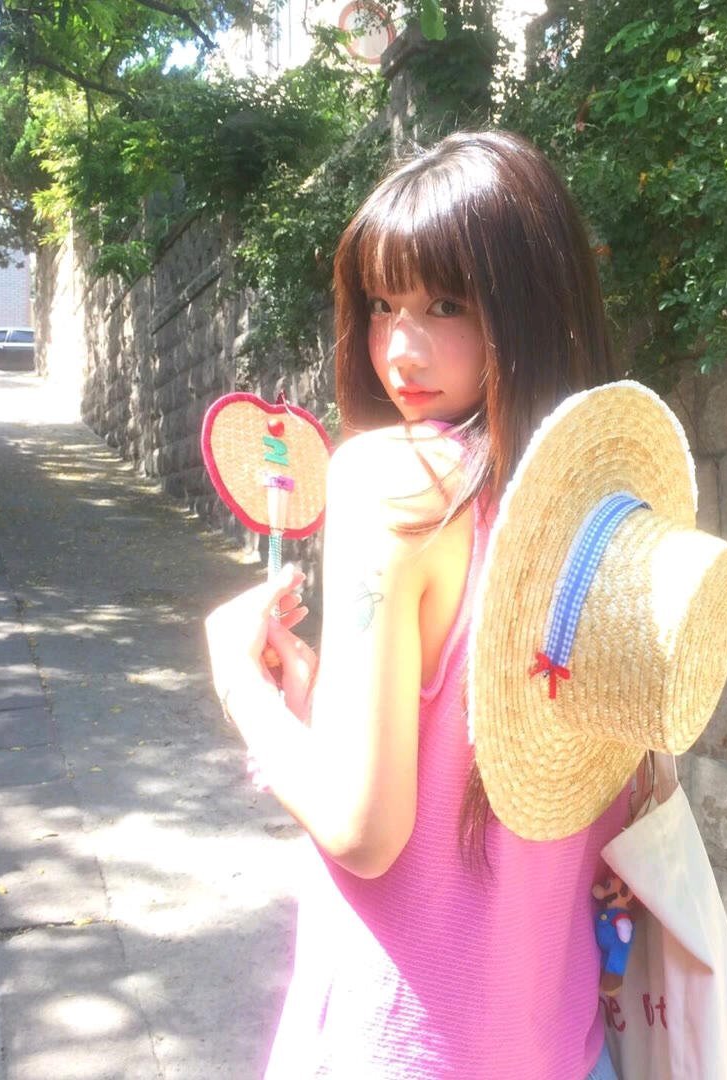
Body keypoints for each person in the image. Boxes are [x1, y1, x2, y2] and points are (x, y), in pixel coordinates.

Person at [204, 130, 626, 1079]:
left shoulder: (390, 481)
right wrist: (320, 705)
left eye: (446, 304)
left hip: (404, 1045)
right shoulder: (608, 512)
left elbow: (365, 831)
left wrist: (243, 688)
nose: (399, 348)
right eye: (382, 305)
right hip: (562, 1044)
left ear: (528, 307)